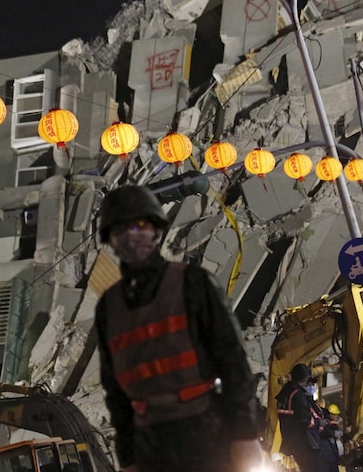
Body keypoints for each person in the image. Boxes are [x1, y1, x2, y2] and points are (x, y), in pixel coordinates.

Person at [94, 184, 262, 472]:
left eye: (139, 226)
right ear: (110, 240)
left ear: (155, 231)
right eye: (119, 230)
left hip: (208, 434)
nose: (130, 237)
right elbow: (116, 395)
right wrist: (129, 459)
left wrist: (245, 434)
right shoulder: (109, 307)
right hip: (152, 447)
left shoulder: (193, 283)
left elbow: (233, 361)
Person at [276, 363, 325, 472]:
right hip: (306, 443)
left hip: (293, 442)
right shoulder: (298, 395)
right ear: (305, 379)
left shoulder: (284, 394)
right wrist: (318, 423)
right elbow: (305, 420)